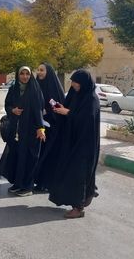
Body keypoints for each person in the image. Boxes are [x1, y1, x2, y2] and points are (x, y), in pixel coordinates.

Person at [49, 69, 100, 219]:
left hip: (84, 145)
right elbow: (70, 109)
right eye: (73, 81)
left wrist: (68, 113)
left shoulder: (91, 99)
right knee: (72, 172)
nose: (74, 85)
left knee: (78, 174)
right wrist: (61, 109)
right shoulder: (75, 95)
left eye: (77, 82)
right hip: (72, 142)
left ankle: (78, 207)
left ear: (84, 83)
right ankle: (87, 194)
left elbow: (86, 121)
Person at [0, 66, 46, 197]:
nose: (25, 76)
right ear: (18, 75)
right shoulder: (14, 89)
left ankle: (27, 186)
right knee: (18, 157)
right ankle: (18, 184)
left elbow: (39, 111)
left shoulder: (35, 90)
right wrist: (12, 110)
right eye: (22, 74)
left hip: (31, 131)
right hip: (17, 131)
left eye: (27, 74)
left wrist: (41, 128)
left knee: (29, 158)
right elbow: (7, 104)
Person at [33, 63, 65, 192]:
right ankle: (36, 180)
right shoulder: (35, 86)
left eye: (42, 70)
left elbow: (58, 107)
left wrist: (47, 112)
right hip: (36, 126)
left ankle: (45, 182)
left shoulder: (53, 89)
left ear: (49, 72)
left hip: (51, 128)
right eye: (38, 70)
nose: (39, 72)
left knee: (47, 155)